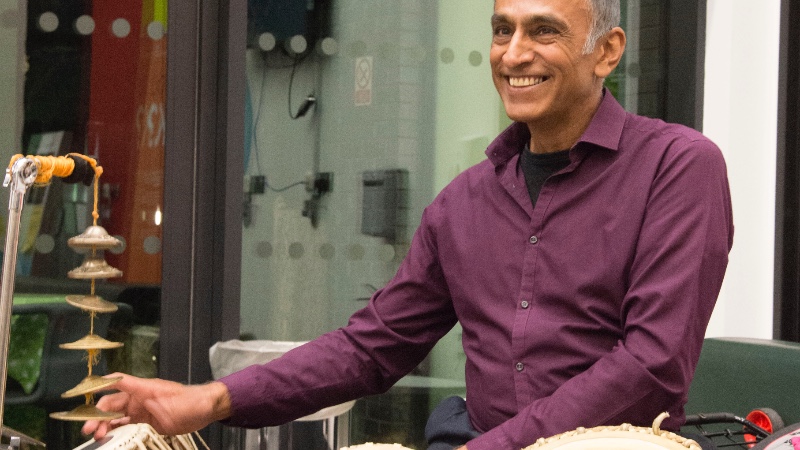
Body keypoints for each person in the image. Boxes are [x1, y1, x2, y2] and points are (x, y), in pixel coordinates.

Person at [83, 0, 734, 449]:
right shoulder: (464, 203)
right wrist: (211, 400)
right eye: (501, 30)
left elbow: (651, 364)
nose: (514, 54)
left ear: (607, 52)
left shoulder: (678, 167)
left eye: (543, 31)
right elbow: (371, 348)